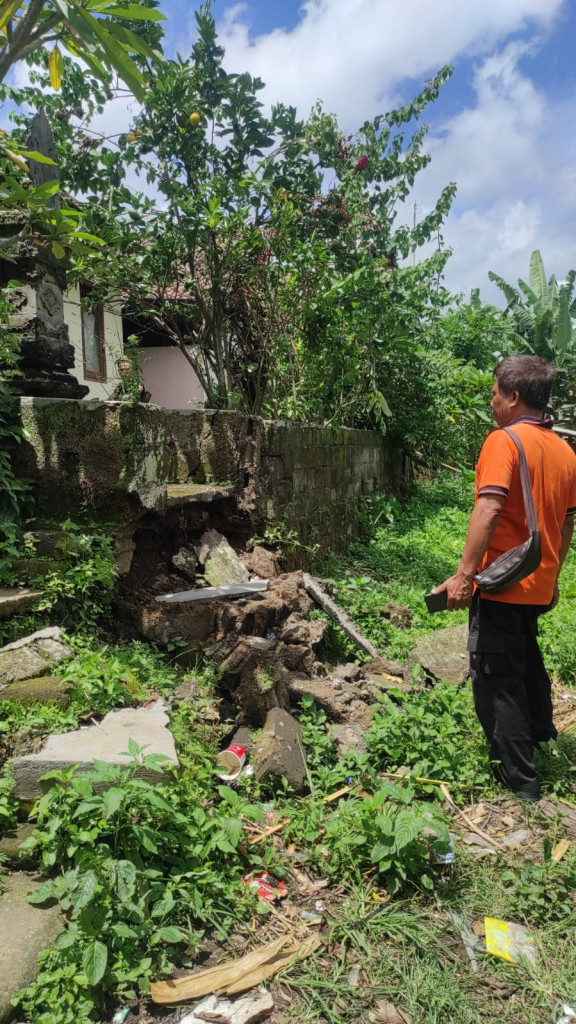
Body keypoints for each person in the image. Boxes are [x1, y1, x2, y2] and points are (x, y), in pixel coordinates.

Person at [434, 355, 576, 802]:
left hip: (502, 583)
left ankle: (522, 783)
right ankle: (542, 735)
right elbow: (568, 522)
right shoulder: (564, 451)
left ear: (514, 397)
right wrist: (552, 578)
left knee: (497, 678)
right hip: (537, 582)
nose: (492, 400)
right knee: (526, 656)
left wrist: (463, 575)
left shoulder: (503, 442)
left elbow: (490, 507)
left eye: (495, 391)